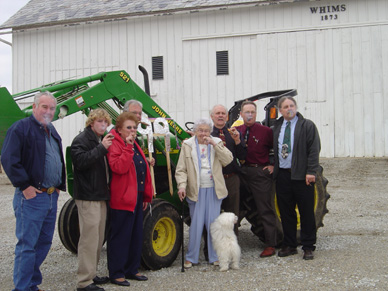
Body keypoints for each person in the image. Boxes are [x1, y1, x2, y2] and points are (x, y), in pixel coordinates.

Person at [1, 91, 66, 291]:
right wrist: (25, 186)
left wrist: (58, 187)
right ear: (35, 107)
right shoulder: (21, 128)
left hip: (50, 195)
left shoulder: (51, 129)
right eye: (44, 107)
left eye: (52, 108)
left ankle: (31, 284)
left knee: (44, 242)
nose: (48, 111)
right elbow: (9, 159)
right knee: (27, 245)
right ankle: (22, 287)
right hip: (31, 197)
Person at [175, 118, 233, 268]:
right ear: (195, 131)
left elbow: (228, 159)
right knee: (196, 224)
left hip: (214, 190)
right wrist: (182, 186)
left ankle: (215, 256)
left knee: (213, 224)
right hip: (196, 191)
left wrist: (215, 144)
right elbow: (181, 169)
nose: (203, 133)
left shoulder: (216, 142)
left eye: (206, 130)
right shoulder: (187, 145)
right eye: (200, 130)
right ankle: (191, 257)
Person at [107, 112, 153, 286]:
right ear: (119, 129)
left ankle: (132, 269)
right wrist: (127, 148)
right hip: (122, 198)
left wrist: (145, 195)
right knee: (120, 236)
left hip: (137, 196)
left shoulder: (134, 144)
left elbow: (141, 168)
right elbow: (119, 167)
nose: (132, 130)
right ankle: (117, 272)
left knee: (135, 234)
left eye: (134, 127)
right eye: (128, 128)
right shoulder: (117, 144)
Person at [273, 96, 321, 260]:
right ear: (281, 110)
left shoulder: (307, 125)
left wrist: (311, 171)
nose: (289, 109)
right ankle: (290, 244)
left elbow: (314, 150)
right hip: (283, 176)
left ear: (296, 107)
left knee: (306, 211)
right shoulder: (277, 127)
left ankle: (308, 246)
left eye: (291, 105)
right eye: (285, 107)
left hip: (302, 175)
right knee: (286, 212)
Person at [70, 109, 113, 291]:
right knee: (88, 239)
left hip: (100, 195)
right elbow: (81, 162)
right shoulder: (81, 140)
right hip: (88, 196)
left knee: (98, 237)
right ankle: (84, 281)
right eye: (100, 122)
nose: (103, 125)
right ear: (91, 122)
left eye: (105, 122)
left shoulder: (97, 140)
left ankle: (92, 274)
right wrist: (102, 148)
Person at [235, 101, 278, 258]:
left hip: (259, 172)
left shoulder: (266, 131)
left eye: (252, 112)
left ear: (256, 113)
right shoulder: (237, 131)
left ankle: (271, 244)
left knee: (264, 208)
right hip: (241, 172)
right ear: (241, 114)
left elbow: (277, 149)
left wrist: (274, 165)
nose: (250, 114)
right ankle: (230, 242)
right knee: (235, 206)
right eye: (247, 112)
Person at [210, 104, 246, 235]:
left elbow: (242, 156)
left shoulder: (234, 134)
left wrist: (237, 141)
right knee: (214, 214)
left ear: (227, 116)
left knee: (232, 214)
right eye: (217, 113)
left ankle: (232, 243)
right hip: (213, 180)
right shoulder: (207, 135)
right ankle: (215, 244)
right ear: (212, 117)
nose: (220, 116)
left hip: (231, 179)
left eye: (223, 113)